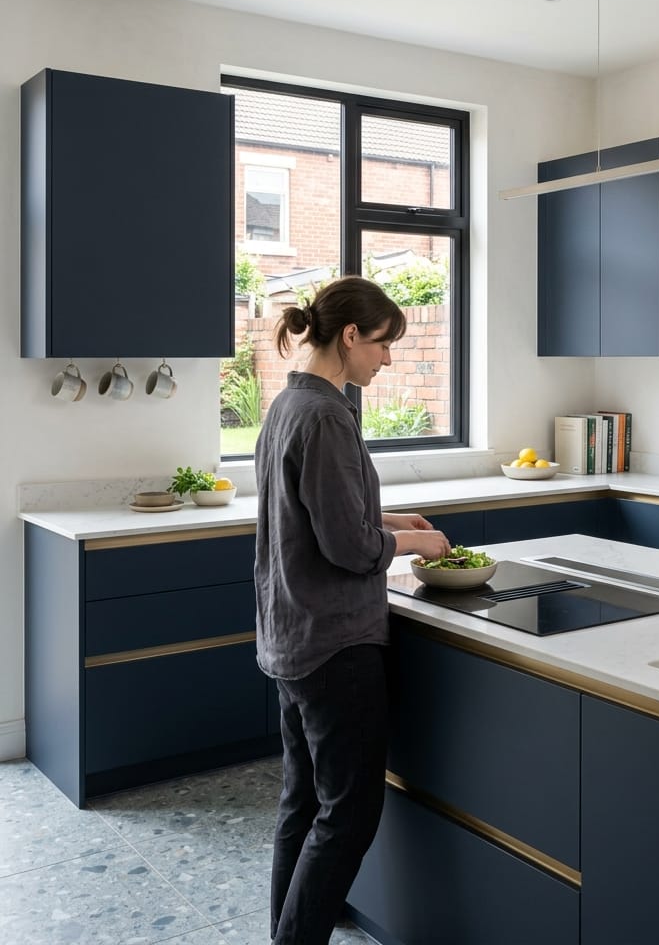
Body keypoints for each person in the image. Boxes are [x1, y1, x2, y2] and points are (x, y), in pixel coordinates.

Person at [254, 275, 450, 945]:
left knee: (301, 800)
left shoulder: (288, 404)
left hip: (290, 636)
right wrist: (418, 541)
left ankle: (287, 931)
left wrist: (393, 516)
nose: (388, 360)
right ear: (349, 336)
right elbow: (346, 545)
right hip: (336, 643)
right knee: (348, 812)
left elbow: (316, 514)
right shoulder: (328, 415)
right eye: (383, 345)